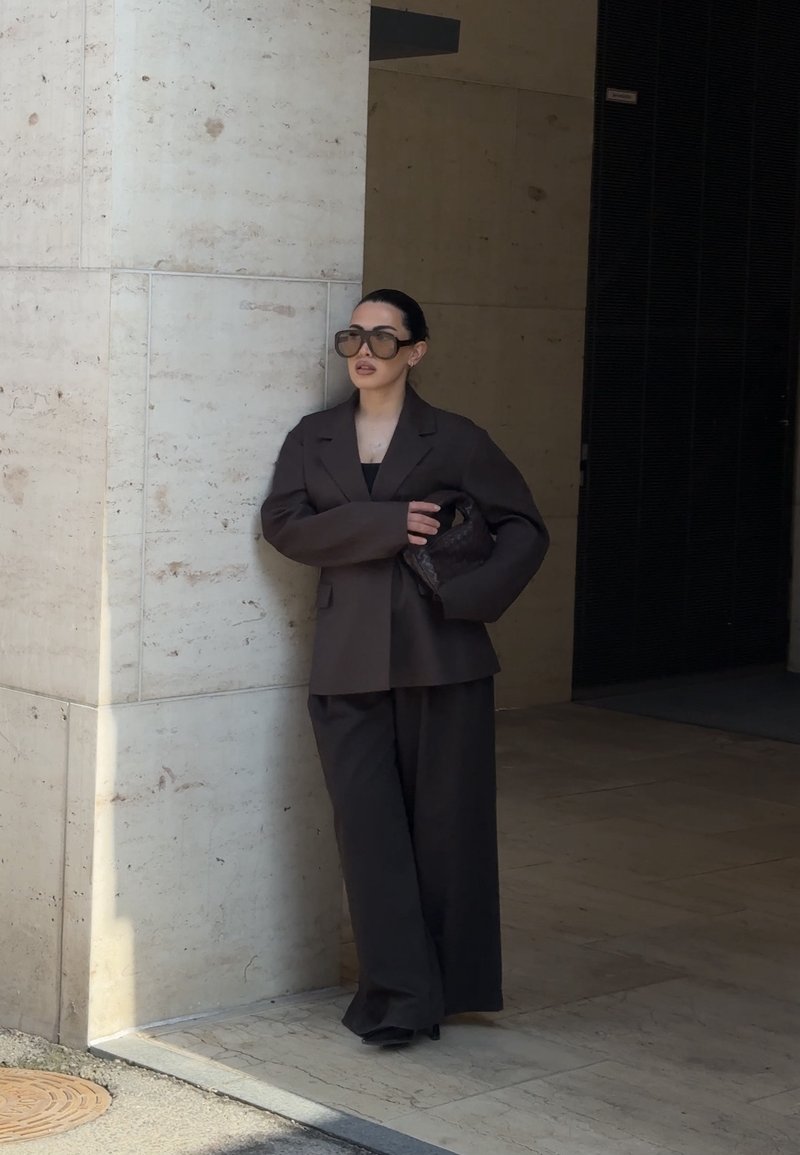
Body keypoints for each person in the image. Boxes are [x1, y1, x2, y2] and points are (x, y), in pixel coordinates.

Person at [261, 289, 549, 1048]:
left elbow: (525, 526)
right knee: (369, 834)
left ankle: (441, 990)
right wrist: (387, 523)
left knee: (447, 833)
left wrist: (469, 597)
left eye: (385, 338)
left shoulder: (456, 439)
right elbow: (284, 525)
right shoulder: (313, 437)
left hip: (442, 659)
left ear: (416, 352)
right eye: (353, 335)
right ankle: (397, 994)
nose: (365, 349)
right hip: (346, 661)